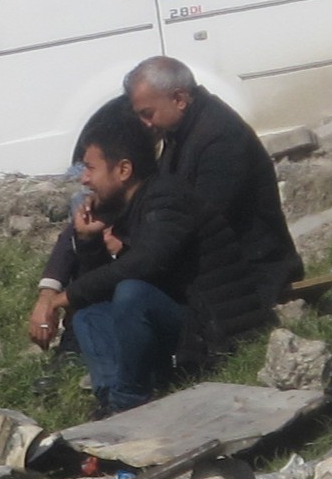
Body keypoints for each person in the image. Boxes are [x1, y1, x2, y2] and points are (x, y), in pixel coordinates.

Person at [95, 57, 298, 372]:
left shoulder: (219, 138)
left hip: (247, 271)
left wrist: (134, 245)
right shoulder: (184, 132)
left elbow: (201, 220)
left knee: (132, 290)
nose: (146, 124)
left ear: (178, 99)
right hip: (207, 266)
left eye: (148, 114)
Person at [25, 109, 204, 415]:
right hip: (152, 323)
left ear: (123, 170)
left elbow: (143, 266)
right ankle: (111, 398)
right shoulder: (122, 205)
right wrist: (88, 240)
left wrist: (65, 296)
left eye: (90, 168)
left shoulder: (165, 197)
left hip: (198, 321)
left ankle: (128, 399)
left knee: (131, 293)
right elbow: (100, 286)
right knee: (88, 316)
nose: (85, 179)